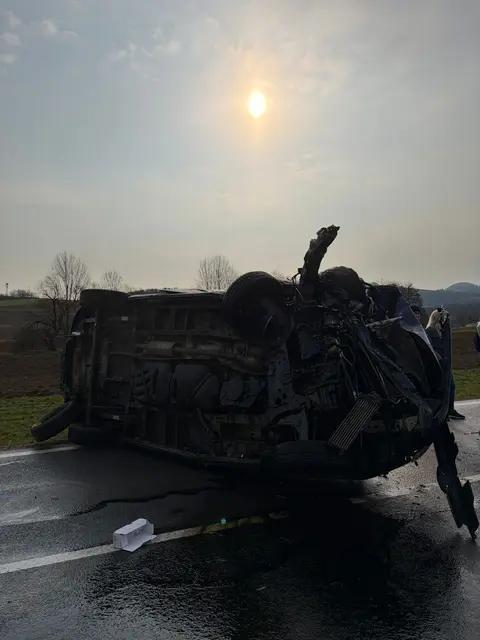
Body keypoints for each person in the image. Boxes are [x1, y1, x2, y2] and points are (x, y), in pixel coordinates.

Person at [425, 308, 465, 420]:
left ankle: (450, 409)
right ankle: (442, 411)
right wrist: (436, 355)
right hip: (437, 365)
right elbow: (427, 347)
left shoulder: (442, 332)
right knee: (441, 388)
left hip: (445, 364)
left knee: (451, 386)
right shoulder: (429, 331)